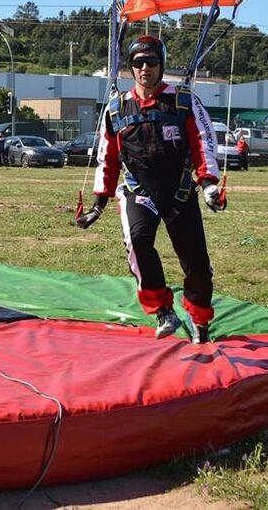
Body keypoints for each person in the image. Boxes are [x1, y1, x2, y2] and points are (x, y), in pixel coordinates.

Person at [75, 35, 223, 344]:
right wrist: (99, 203)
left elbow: (203, 141)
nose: (145, 68)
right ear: (130, 67)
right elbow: (107, 157)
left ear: (161, 65)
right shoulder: (117, 109)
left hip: (179, 191)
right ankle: (163, 310)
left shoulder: (183, 101)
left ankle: (199, 320)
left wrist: (208, 182)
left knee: (196, 262)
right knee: (138, 240)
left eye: (152, 62)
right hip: (139, 191)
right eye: (138, 63)